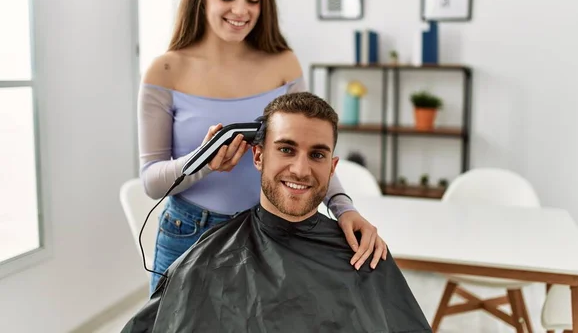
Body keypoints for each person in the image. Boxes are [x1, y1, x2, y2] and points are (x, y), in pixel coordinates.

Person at [138, 0, 387, 293]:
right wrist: (204, 161)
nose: (241, 10)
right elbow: (151, 182)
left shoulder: (282, 64)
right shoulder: (165, 71)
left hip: (269, 231)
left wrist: (344, 208)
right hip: (188, 233)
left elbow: (310, 150)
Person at [123, 92, 431, 333]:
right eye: (286, 149)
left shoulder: (362, 251)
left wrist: (345, 209)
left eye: (317, 154)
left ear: (332, 167)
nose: (300, 169)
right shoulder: (206, 262)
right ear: (258, 155)